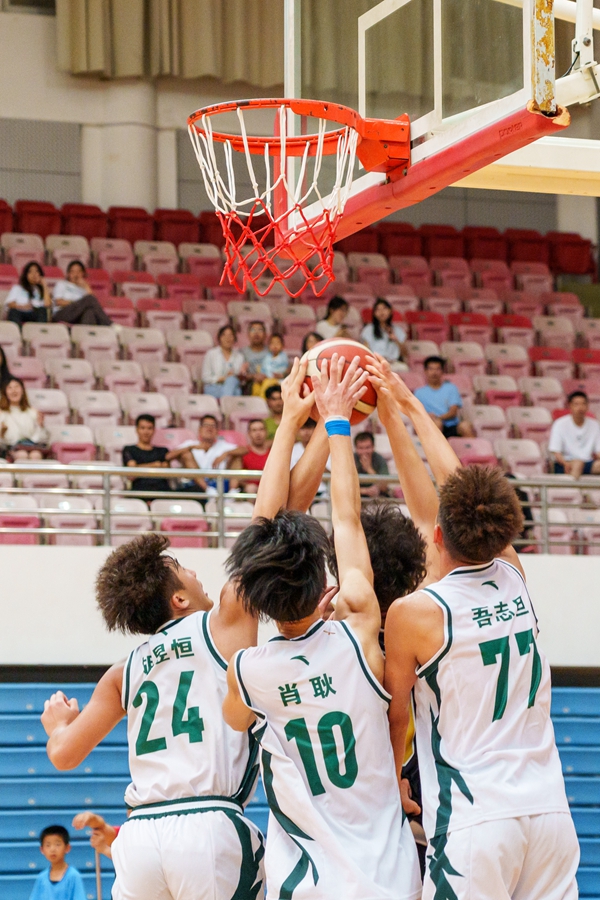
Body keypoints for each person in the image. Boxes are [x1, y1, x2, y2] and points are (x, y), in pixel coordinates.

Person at [40, 360, 317, 900]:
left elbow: (64, 755)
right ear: (179, 597)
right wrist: (298, 422)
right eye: (185, 569)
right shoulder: (223, 624)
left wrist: (55, 724)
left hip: (139, 837)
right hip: (207, 828)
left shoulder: (123, 672)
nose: (195, 569)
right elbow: (272, 529)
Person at [223, 354, 422, 900]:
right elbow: (347, 518)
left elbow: (234, 716)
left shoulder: (250, 672)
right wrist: (337, 423)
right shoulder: (361, 627)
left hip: (307, 884)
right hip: (389, 878)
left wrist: (293, 421)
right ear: (326, 585)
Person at [380, 371, 579, 900]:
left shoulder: (415, 612)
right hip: (551, 815)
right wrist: (407, 405)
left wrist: (393, 775)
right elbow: (457, 486)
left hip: (477, 817)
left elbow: (397, 713)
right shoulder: (514, 573)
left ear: (438, 536)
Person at [168, 414, 239, 493]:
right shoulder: (191, 444)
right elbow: (168, 456)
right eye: (206, 425)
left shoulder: (223, 445)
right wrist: (191, 448)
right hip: (196, 486)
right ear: (199, 429)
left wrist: (226, 453)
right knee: (186, 454)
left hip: (219, 483)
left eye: (213, 426)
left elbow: (244, 450)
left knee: (237, 456)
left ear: (217, 431)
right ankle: (208, 491)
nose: (209, 428)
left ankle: (233, 493)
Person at [415, 355, 475, 438]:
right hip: (431, 424)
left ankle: (473, 450)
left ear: (442, 371)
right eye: (431, 369)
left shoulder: (451, 388)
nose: (434, 372)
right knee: (437, 424)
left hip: (451, 425)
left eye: (437, 369)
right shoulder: (419, 392)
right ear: (425, 371)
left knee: (465, 426)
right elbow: (417, 413)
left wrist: (438, 417)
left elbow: (453, 412)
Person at [548, 390, 600, 478]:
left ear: (587, 406)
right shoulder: (560, 424)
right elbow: (556, 452)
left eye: (583, 404)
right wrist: (566, 463)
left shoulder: (595, 425)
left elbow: (598, 451)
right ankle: (573, 491)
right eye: (577, 404)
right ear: (570, 406)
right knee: (578, 464)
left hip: (587, 463)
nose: (580, 407)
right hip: (565, 463)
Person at [29, 825, 86, 900]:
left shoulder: (73, 876)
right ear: (42, 850)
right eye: (48, 845)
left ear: (67, 848)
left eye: (57, 844)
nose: (53, 849)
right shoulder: (41, 878)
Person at [122, 414, 171, 497]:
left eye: (149, 428)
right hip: (140, 492)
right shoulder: (129, 450)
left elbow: (166, 473)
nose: (146, 432)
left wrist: (140, 467)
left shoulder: (162, 451)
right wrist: (154, 465)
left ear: (154, 430)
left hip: (162, 492)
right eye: (142, 428)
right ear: (137, 430)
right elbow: (132, 474)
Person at [52, 261, 113, 326]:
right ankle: (110, 325)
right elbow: (58, 302)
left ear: (83, 273)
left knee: (90, 312)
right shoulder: (62, 284)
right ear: (68, 274)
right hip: (62, 313)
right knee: (88, 299)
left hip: (78, 315)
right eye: (73, 272)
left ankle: (87, 334)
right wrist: (79, 304)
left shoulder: (83, 288)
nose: (76, 274)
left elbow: (94, 303)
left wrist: (86, 286)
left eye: (79, 272)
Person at [0, 377, 47, 459]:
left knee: (36, 455)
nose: (14, 391)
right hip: (9, 448)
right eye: (10, 388)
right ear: (5, 392)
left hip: (30, 446)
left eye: (16, 387)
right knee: (22, 455)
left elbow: (41, 438)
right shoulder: (2, 413)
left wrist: (41, 426)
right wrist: (2, 434)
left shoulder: (32, 412)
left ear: (22, 390)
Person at [202, 324, 245, 399]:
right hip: (213, 387)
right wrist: (219, 379)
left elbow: (240, 379)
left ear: (234, 338)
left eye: (230, 335)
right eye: (224, 335)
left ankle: (225, 405)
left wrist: (235, 375)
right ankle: (228, 404)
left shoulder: (239, 356)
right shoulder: (211, 354)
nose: (227, 338)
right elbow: (205, 377)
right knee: (236, 392)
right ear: (219, 338)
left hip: (232, 385)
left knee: (232, 381)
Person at [361, 298, 407, 366]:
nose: (381, 312)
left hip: (393, 363)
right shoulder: (368, 330)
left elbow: (405, 353)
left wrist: (396, 340)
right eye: (378, 309)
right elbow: (365, 351)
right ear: (374, 313)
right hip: (375, 363)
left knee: (404, 367)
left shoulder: (398, 330)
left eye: (384, 308)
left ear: (390, 311)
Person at [5, 261, 51, 325]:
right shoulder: (18, 288)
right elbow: (10, 304)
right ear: (26, 275)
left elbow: (47, 304)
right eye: (30, 272)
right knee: (13, 311)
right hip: (21, 311)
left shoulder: (41, 290)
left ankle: (40, 333)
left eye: (37, 271)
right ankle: (18, 333)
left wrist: (44, 285)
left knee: (42, 311)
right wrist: (22, 307)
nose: (34, 274)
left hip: (35, 312)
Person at [354, 431, 390, 498]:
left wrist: (369, 469)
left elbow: (384, 486)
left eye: (367, 448)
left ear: (373, 447)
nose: (364, 452)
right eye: (361, 448)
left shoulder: (379, 459)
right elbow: (344, 486)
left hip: (377, 499)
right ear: (356, 448)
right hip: (356, 498)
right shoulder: (351, 460)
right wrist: (365, 491)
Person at [241, 321, 269, 394]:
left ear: (265, 335)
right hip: (250, 383)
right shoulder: (242, 352)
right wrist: (253, 376)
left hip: (269, 382)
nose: (256, 333)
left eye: (260, 330)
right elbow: (241, 374)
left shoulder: (271, 351)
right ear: (248, 334)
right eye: (253, 330)